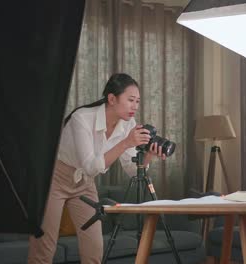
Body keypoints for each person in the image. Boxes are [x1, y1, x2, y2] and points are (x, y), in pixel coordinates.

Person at [28, 73, 166, 264]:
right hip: (54, 179)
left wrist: (150, 154)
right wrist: (126, 143)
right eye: (131, 100)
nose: (135, 106)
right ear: (112, 98)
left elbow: (132, 170)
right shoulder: (82, 118)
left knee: (94, 248)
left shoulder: (128, 125)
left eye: (138, 101)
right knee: (44, 248)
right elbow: (91, 166)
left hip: (84, 183)